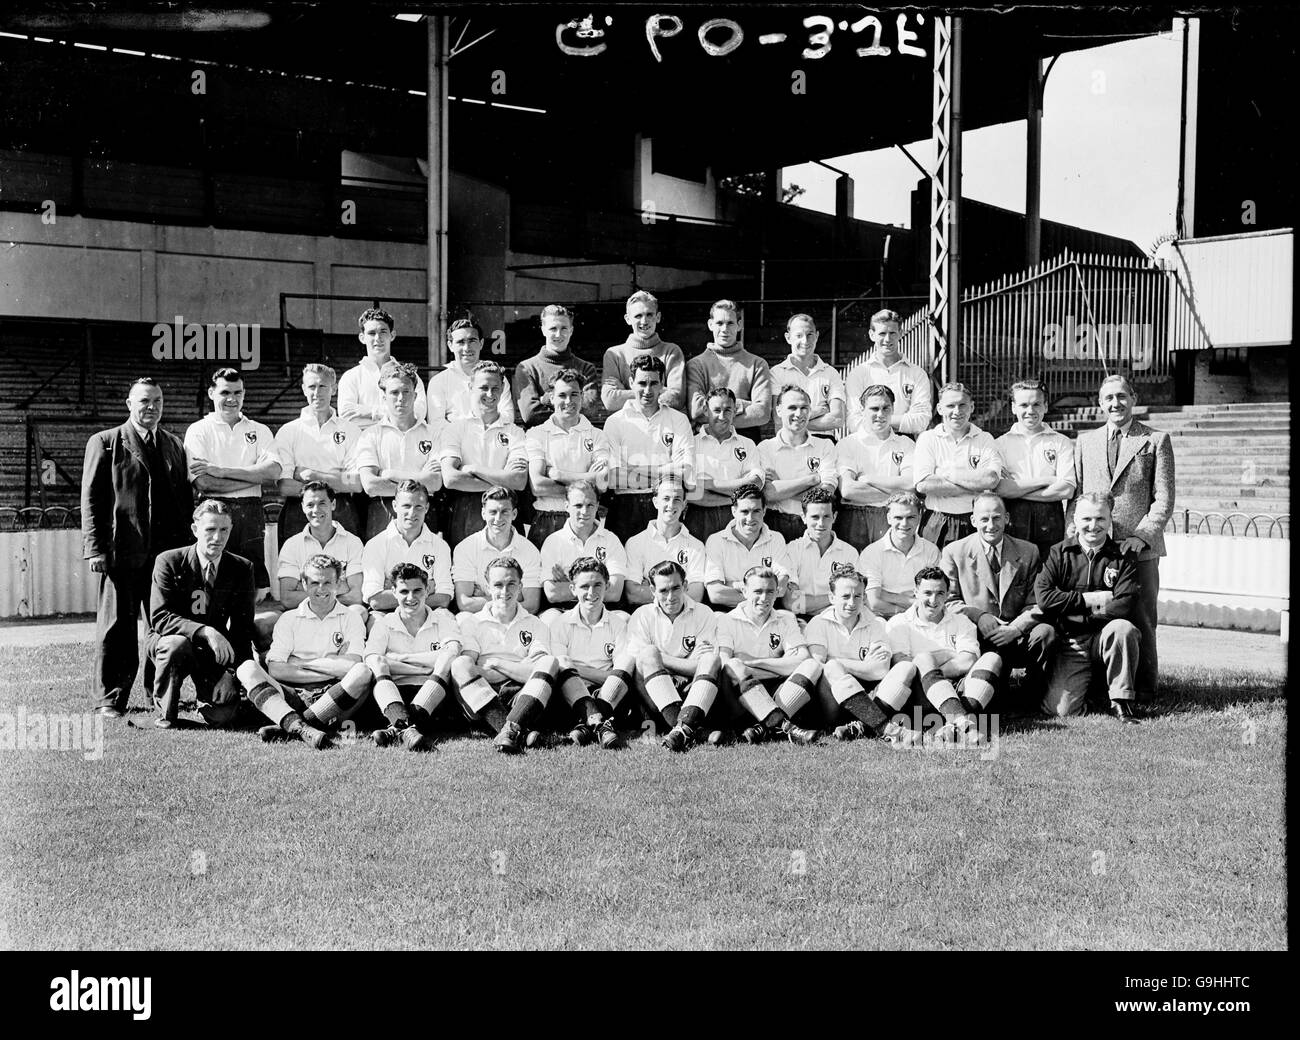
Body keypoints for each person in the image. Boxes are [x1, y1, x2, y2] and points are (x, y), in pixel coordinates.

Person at [82, 377, 194, 718]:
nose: (152, 407)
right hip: (122, 552)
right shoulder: (105, 442)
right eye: (144, 401)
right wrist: (95, 549)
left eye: (157, 401)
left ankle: (157, 696)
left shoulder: (173, 444)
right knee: (117, 627)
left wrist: (186, 551)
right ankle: (110, 699)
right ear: (129, 405)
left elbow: (184, 502)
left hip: (165, 558)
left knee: (162, 627)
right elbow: (91, 500)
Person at [1072, 374, 1174, 704]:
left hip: (1138, 549)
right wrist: (1074, 540)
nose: (1115, 403)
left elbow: (1164, 498)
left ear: (1133, 398)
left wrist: (1142, 537)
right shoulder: (1085, 442)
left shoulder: (1155, 440)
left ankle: (1143, 689)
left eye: (1121, 396)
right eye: (1108, 399)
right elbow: (1076, 495)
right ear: (1099, 404)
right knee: (1096, 614)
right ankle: (1100, 687)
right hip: (1095, 545)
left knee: (1142, 617)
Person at [237, 553, 373, 748]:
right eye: (315, 582)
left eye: (328, 582)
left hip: (333, 694)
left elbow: (352, 666)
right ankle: (304, 726)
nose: (321, 589)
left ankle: (294, 725)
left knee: (363, 673)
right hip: (293, 693)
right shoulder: (289, 619)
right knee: (247, 668)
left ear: (338, 584)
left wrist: (298, 662)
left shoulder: (351, 617)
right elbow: (276, 670)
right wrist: (331, 664)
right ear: (303, 583)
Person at [940, 493, 1057, 706]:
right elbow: (948, 601)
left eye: (996, 517)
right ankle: (982, 691)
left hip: (1015, 633)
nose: (990, 525)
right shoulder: (954, 552)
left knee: (1045, 633)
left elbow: (1037, 601)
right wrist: (979, 615)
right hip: (978, 633)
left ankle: (1030, 697)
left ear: (1007, 518)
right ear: (974, 520)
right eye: (984, 519)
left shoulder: (1028, 551)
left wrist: (1016, 628)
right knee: (994, 699)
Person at [147, 500, 255, 730]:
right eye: (210, 529)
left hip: (213, 649)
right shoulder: (169, 561)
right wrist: (204, 631)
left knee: (224, 717)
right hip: (170, 640)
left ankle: (204, 701)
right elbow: (160, 616)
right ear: (195, 530)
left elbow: (242, 628)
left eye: (224, 530)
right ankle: (166, 711)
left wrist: (230, 674)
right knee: (176, 645)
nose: (217, 537)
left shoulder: (242, 568)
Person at [1035, 492, 1142, 722]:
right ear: (1074, 520)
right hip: (1072, 642)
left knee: (1122, 628)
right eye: (1086, 519)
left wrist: (1078, 616)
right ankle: (1093, 693)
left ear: (1110, 519)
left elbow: (1123, 605)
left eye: (1100, 519)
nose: (1093, 526)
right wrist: (1088, 600)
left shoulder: (1123, 557)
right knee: (1060, 711)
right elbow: (1044, 597)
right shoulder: (1059, 553)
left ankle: (1121, 702)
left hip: (1105, 635)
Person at [449, 556, 564, 753]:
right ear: (488, 588)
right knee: (459, 664)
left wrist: (494, 663)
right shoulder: (472, 622)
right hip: (483, 697)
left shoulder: (536, 624)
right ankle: (516, 730)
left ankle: (507, 729)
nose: (504, 591)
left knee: (550, 661)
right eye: (498, 584)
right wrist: (515, 667)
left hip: (522, 696)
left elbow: (533, 673)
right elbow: (469, 667)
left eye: (511, 584)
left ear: (520, 586)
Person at [183, 367, 281, 591]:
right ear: (211, 393)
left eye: (238, 393)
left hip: (251, 511)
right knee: (211, 582)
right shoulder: (199, 430)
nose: (232, 399)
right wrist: (255, 477)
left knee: (251, 586)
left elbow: (273, 472)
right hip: (213, 510)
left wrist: (221, 470)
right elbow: (205, 483)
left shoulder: (260, 430)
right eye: (225, 393)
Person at [882, 566, 1003, 745]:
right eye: (927, 593)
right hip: (920, 693)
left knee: (992, 658)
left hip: (958, 689)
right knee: (923, 659)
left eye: (940, 593)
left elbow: (968, 661)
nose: (933, 600)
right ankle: (964, 722)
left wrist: (932, 669)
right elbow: (903, 663)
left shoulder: (961, 621)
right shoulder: (899, 623)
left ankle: (955, 725)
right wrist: (946, 654)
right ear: (915, 593)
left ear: (947, 595)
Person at [803, 564, 915, 743]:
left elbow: (881, 670)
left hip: (869, 695)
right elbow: (820, 665)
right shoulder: (818, 623)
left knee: (906, 667)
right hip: (833, 702)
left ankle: (861, 726)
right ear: (832, 597)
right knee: (832, 667)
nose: (852, 603)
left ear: (864, 597)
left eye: (858, 596)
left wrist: (842, 664)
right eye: (845, 596)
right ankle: (883, 727)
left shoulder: (876, 624)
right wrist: (864, 666)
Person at [714, 567, 822, 746]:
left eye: (770, 591)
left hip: (775, 690)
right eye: (758, 591)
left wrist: (755, 663)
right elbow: (726, 665)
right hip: (742, 697)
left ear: (777, 592)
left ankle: (762, 728)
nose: (764, 598)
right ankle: (785, 727)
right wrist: (781, 666)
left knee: (813, 665)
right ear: (744, 591)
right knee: (734, 664)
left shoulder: (785, 618)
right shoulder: (727, 620)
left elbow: (803, 659)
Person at [626, 560, 724, 753]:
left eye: (676, 588)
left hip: (691, 693)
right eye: (663, 590)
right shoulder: (642, 615)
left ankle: (681, 729)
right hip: (653, 698)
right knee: (648, 653)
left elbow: (704, 664)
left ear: (685, 586)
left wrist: (659, 662)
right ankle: (689, 727)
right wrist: (683, 662)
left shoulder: (703, 613)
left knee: (712, 660)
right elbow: (643, 663)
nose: (671, 596)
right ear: (652, 590)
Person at [364, 562, 462, 751]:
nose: (411, 598)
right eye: (403, 592)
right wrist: (428, 663)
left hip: (435, 696)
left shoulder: (443, 620)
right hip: (395, 695)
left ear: (427, 591)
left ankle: (397, 728)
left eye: (417, 590)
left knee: (446, 661)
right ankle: (406, 728)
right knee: (376, 663)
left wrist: (399, 659)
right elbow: (373, 659)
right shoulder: (384, 624)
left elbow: (451, 652)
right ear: (393, 592)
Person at [602, 353, 695, 544]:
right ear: (631, 382)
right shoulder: (615, 422)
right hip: (626, 509)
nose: (647, 390)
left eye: (654, 383)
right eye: (642, 383)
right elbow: (614, 478)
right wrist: (667, 470)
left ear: (662, 384)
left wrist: (632, 473)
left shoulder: (678, 420)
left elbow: (686, 471)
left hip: (666, 505)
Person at [547, 557, 637, 749]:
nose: (591, 592)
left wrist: (575, 668)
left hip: (608, 693)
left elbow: (620, 674)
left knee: (629, 660)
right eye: (584, 586)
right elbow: (561, 671)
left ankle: (587, 726)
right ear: (572, 589)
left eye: (598, 585)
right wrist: (572, 670)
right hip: (570, 697)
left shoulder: (619, 624)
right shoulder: (560, 624)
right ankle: (601, 725)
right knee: (561, 662)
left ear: (607, 586)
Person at [439, 360, 529, 547]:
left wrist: (473, 469)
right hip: (465, 513)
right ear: (470, 387)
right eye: (483, 387)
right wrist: (502, 477)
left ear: (503, 387)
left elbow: (519, 481)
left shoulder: (515, 432)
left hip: (503, 511)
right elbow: (451, 478)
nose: (490, 394)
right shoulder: (454, 429)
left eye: (495, 388)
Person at [273, 363, 363, 542]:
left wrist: (313, 475)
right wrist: (336, 477)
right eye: (312, 387)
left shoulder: (351, 431)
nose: (317, 392)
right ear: (304, 389)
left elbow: (356, 482)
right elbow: (285, 485)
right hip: (298, 510)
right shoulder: (288, 431)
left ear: (334, 389)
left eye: (323, 386)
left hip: (341, 509)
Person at [525, 367, 612, 548]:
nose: (568, 401)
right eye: (562, 395)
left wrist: (559, 474)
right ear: (551, 397)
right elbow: (538, 485)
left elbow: (603, 482)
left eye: (574, 395)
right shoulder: (537, 434)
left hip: (585, 518)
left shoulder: (597, 435)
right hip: (547, 519)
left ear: (581, 396)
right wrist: (587, 481)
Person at [356, 360, 443, 540]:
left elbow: (434, 482)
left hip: (422, 512)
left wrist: (389, 473)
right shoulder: (370, 435)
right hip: (383, 511)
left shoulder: (434, 434)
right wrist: (419, 478)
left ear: (415, 395)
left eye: (406, 391)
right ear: (384, 397)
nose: (401, 398)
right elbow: (370, 485)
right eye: (394, 392)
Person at [912, 381, 1004, 549]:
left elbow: (991, 480)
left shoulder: (985, 439)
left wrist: (947, 474)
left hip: (974, 520)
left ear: (972, 407)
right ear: (940, 409)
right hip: (936, 520)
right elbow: (924, 485)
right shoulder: (928, 438)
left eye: (962, 405)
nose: (957, 411)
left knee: (974, 574)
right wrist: (975, 486)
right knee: (934, 573)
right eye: (950, 406)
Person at [995, 379, 1075, 559]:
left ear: (1045, 406)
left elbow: (1067, 489)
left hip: (1051, 519)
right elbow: (1000, 488)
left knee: (1048, 576)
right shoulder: (1000, 444)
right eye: (1024, 405)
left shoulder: (1060, 442)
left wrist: (1016, 489)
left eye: (1036, 404)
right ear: (1014, 407)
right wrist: (1047, 480)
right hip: (1013, 517)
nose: (1030, 411)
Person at [273, 481, 366, 630]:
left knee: (359, 612)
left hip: (340, 613)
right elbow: (288, 598)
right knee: (264, 624)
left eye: (322, 503)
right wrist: (337, 587)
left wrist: (307, 589)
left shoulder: (353, 542)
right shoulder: (292, 544)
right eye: (310, 505)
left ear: (333, 504)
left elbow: (356, 596)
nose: (316, 510)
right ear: (303, 507)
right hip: (303, 612)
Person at [834, 384, 916, 548]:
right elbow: (849, 490)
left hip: (891, 517)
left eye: (886, 408)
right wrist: (895, 490)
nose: (880, 414)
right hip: (853, 519)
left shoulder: (906, 444)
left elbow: (910, 486)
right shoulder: (848, 444)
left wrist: (868, 479)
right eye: (874, 408)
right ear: (862, 410)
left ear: (893, 409)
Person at [756, 385, 838, 542]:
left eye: (804, 408)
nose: (799, 414)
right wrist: (812, 480)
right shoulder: (765, 448)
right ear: (779, 410)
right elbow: (768, 493)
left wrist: (782, 487)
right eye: (792, 407)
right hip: (774, 524)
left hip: (813, 525)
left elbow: (825, 494)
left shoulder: (825, 445)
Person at [360, 480, 454, 614]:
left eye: (418, 507)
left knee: (446, 619)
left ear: (427, 508)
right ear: (395, 506)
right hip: (387, 613)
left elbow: (444, 598)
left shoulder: (440, 546)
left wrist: (397, 592)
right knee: (377, 623)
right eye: (406, 506)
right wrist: (425, 589)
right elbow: (376, 600)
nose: (412, 513)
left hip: (428, 612)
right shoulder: (376, 544)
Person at [539, 481, 628, 618]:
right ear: (567, 506)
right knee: (549, 619)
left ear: (597, 506)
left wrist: (570, 583)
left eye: (590, 505)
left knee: (623, 619)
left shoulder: (611, 540)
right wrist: (598, 584)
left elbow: (615, 592)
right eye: (578, 505)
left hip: (602, 609)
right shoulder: (553, 541)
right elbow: (552, 593)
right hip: (564, 609)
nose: (584, 512)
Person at [690, 386, 765, 544]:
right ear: (705, 411)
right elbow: (691, 493)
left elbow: (754, 485)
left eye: (727, 410)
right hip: (699, 518)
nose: (722, 416)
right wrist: (735, 499)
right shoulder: (691, 443)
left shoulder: (747, 444)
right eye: (716, 410)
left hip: (737, 519)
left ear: (735, 410)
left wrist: (710, 484)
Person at [685, 299, 772, 434]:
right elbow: (696, 411)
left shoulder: (758, 364)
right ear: (710, 324)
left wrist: (715, 411)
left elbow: (762, 413)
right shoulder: (696, 365)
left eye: (730, 323)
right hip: (708, 442)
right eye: (719, 323)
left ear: (739, 325)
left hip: (746, 442)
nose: (725, 329)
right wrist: (745, 406)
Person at [451, 486, 543, 614]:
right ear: (483, 514)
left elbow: (531, 605)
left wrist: (481, 597)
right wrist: (515, 596)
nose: (498, 518)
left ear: (514, 514)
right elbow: (465, 604)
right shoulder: (465, 548)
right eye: (493, 512)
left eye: (505, 511)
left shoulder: (529, 550)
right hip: (478, 617)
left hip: (516, 618)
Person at [703, 484, 795, 609]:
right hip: (730, 613)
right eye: (744, 511)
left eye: (756, 511)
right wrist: (765, 594)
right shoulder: (716, 541)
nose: (750, 518)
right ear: (734, 511)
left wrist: (733, 585)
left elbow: (781, 588)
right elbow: (716, 594)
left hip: (768, 613)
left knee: (792, 619)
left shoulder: (776, 539)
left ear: (764, 511)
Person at [512, 304, 602, 429]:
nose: (558, 334)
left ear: (571, 331)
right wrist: (571, 409)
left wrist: (546, 399)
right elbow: (531, 415)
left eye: (564, 328)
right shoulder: (527, 368)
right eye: (553, 328)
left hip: (578, 439)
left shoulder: (586, 368)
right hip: (542, 441)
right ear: (543, 330)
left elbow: (589, 410)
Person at [845, 308, 932, 436]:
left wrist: (877, 421)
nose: (887, 339)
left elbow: (921, 420)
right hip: (868, 443)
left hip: (904, 444)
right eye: (882, 333)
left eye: (892, 333)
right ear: (871, 335)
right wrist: (899, 421)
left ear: (900, 333)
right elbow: (854, 421)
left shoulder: (917, 373)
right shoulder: (858, 373)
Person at [624, 476, 709, 606]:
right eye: (666, 498)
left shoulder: (696, 546)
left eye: (677, 499)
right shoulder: (635, 542)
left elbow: (696, 595)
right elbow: (633, 594)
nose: (671, 505)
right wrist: (679, 589)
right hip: (648, 617)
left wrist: (651, 589)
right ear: (655, 501)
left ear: (684, 504)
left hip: (684, 618)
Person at [338, 307, 429, 428]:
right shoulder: (351, 376)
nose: (377, 338)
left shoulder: (409, 376)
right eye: (371, 333)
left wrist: (366, 414)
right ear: (362, 338)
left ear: (392, 335)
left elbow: (418, 412)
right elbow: (346, 414)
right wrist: (389, 413)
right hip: (364, 442)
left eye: (383, 332)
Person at [858, 492, 941, 619]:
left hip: (920, 618)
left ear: (919, 518)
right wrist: (907, 604)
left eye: (911, 517)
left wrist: (886, 595)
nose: (904, 524)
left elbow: (932, 600)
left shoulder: (931, 551)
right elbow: (874, 602)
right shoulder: (871, 552)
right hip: (879, 619)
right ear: (888, 518)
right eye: (898, 518)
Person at [601, 289, 686, 412]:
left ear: (658, 317)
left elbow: (676, 399)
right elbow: (610, 400)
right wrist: (659, 390)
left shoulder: (671, 351)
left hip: (663, 424)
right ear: (628, 319)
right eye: (638, 316)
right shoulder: (615, 354)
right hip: (627, 425)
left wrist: (626, 392)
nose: (644, 321)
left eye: (649, 314)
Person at [784, 487, 859, 620]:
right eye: (815, 517)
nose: (821, 523)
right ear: (804, 517)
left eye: (826, 516)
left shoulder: (849, 553)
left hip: (837, 619)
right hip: (801, 620)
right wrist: (836, 597)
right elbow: (792, 603)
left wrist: (809, 601)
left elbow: (853, 600)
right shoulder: (792, 549)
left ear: (834, 517)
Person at [427, 316, 518, 425]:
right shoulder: (439, 381)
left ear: (481, 343)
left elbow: (508, 417)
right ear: (450, 346)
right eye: (461, 342)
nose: (467, 348)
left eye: (472, 341)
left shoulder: (496, 377)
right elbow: (436, 424)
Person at [768, 313, 845, 437]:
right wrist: (818, 411)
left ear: (817, 336)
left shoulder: (830, 373)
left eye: (810, 335)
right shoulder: (777, 373)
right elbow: (778, 419)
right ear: (788, 338)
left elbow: (837, 419)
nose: (805, 341)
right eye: (799, 335)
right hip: (790, 444)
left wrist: (795, 421)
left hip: (823, 443)